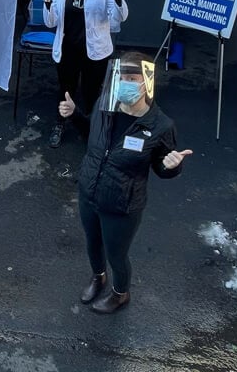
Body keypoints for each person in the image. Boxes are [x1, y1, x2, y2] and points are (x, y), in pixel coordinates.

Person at [63, 52, 191, 313]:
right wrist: (75, 115)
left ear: (146, 81)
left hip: (122, 206)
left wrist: (171, 167)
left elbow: (161, 166)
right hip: (90, 193)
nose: (125, 83)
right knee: (92, 243)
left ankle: (120, 293)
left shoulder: (160, 125)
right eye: (121, 77)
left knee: (116, 255)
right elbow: (91, 135)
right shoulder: (104, 104)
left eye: (132, 78)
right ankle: (98, 276)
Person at [42, 0, 128, 148]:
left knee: (92, 92)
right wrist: (47, 0)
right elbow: (50, 22)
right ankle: (61, 123)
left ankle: (92, 128)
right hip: (67, 50)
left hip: (95, 50)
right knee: (65, 90)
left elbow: (120, 17)